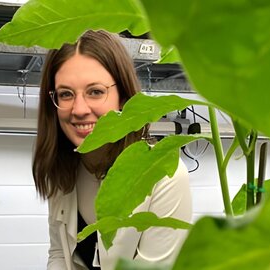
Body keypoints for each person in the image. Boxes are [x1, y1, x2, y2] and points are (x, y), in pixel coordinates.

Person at [32, 30, 192, 270]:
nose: (78, 109)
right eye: (66, 94)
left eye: (95, 91)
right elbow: (58, 254)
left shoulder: (163, 174)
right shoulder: (64, 166)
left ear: (124, 97)